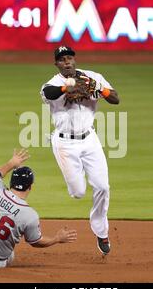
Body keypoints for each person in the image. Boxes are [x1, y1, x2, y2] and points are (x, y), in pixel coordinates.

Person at [40, 46, 120, 255]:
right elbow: (49, 93)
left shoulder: (93, 77)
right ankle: (77, 180)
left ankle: (101, 232)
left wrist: (99, 89)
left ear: (74, 60)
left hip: (90, 140)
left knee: (103, 186)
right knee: (78, 193)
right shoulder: (54, 83)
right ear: (56, 64)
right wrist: (67, 89)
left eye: (69, 58)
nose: (66, 62)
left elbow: (115, 98)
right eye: (62, 59)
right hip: (64, 143)